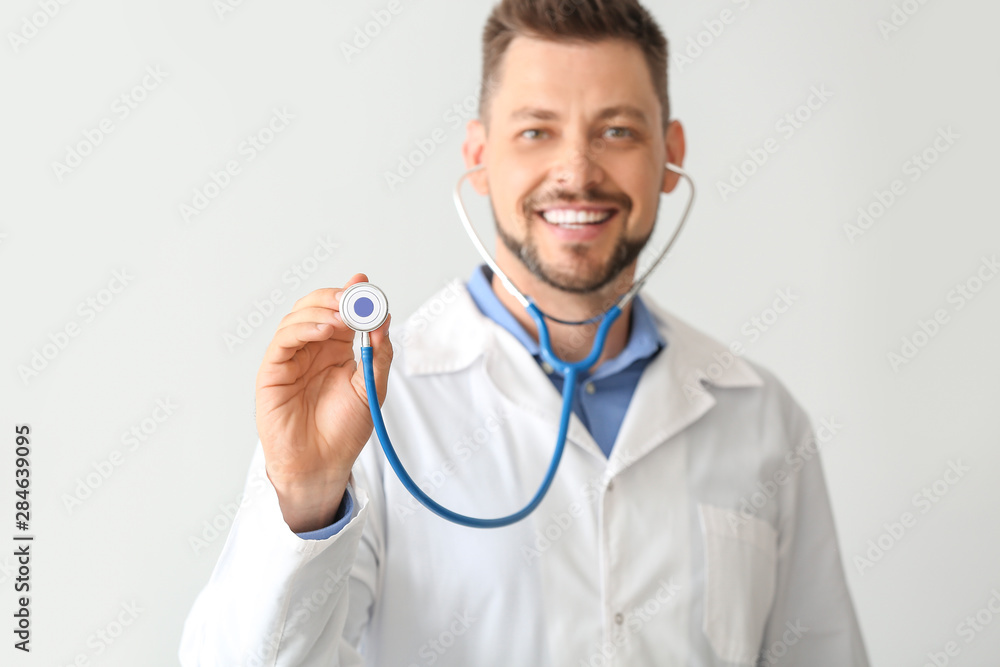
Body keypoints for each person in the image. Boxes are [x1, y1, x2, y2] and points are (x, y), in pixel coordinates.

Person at [179, 0, 869, 664]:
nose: (576, 171)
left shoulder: (762, 419)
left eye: (618, 130)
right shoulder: (372, 408)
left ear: (670, 154)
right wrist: (304, 499)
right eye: (536, 130)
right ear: (479, 158)